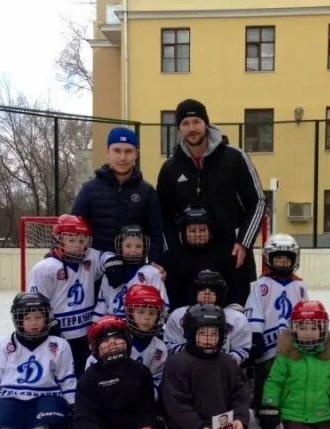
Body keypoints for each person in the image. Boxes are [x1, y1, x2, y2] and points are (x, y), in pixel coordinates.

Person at [14, 316, 166, 429]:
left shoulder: (141, 371)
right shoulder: (89, 378)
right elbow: (83, 419)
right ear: (95, 348)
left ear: (127, 340)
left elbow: (147, 409)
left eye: (117, 338)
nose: (112, 344)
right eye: (105, 341)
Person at [157, 99, 265, 305]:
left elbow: (258, 202)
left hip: (231, 256)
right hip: (188, 260)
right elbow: (163, 215)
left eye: (196, 121)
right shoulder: (171, 167)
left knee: (235, 320)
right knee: (187, 321)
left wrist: (243, 242)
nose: (192, 128)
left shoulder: (234, 158)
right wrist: (172, 253)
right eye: (185, 123)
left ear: (206, 123)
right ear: (179, 128)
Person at [161, 304, 261, 429]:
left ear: (222, 336)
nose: (208, 339)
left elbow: (241, 393)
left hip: (224, 428)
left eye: (214, 334)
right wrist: (198, 428)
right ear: (191, 334)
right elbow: (176, 404)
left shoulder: (228, 362)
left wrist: (239, 419)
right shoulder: (177, 363)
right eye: (203, 333)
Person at [0, 292, 76, 429]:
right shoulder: (0, 345)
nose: (34, 323)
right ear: (18, 320)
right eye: (27, 318)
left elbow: (66, 378)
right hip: (9, 399)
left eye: (38, 317)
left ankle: (39, 428)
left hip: (45, 399)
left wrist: (73, 405)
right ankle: (11, 427)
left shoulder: (58, 345)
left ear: (47, 318)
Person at [258, 300, 330, 429]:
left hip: (324, 412)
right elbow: (274, 383)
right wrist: (270, 407)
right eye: (302, 327)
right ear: (293, 329)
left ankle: (320, 428)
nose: (308, 333)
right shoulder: (285, 356)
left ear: (323, 329)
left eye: (314, 328)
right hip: (295, 413)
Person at [26, 214, 110, 376]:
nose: (78, 246)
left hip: (86, 335)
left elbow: (105, 256)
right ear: (58, 240)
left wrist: (114, 262)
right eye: (71, 240)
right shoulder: (44, 268)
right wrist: (49, 326)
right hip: (59, 336)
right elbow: (36, 304)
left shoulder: (89, 258)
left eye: (81, 240)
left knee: (84, 377)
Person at [71, 127, 164, 265]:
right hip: (96, 271)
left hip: (133, 271)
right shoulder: (89, 189)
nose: (122, 157)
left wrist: (155, 263)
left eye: (128, 151)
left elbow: (155, 234)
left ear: (136, 154)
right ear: (107, 152)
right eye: (117, 150)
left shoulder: (147, 192)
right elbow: (72, 229)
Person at [245, 233, 308, 413]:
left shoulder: (300, 286)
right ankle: (262, 406)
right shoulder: (261, 285)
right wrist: (256, 335)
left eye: (286, 259)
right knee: (266, 374)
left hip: (293, 343)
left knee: (292, 374)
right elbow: (254, 310)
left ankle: (289, 405)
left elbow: (306, 312)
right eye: (278, 258)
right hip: (268, 345)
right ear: (269, 258)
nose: (282, 262)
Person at [163, 269, 251, 365]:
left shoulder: (237, 318)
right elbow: (170, 345)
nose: (207, 293)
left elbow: (242, 350)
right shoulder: (178, 315)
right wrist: (195, 357)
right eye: (202, 289)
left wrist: (218, 364)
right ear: (194, 291)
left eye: (212, 289)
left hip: (221, 372)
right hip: (187, 370)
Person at [161, 205, 235, 309]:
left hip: (217, 314)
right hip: (181, 313)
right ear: (184, 232)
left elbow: (231, 290)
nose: (198, 234)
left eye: (202, 230)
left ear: (210, 232)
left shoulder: (223, 256)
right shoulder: (171, 257)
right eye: (192, 231)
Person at [92, 224, 169, 320]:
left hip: (142, 328)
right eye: (128, 246)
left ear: (144, 248)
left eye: (138, 246)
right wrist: (96, 325)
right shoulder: (110, 272)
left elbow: (163, 306)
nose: (133, 250)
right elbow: (102, 305)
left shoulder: (153, 273)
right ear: (120, 247)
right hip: (115, 329)